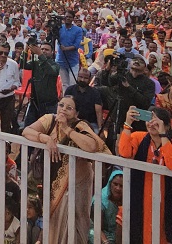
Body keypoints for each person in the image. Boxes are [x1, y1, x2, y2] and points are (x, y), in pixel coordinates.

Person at [22, 95, 105, 243]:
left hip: (78, 184)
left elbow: (92, 146)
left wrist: (67, 129)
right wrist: (46, 138)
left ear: (76, 113)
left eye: (69, 108)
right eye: (61, 105)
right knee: (54, 225)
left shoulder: (81, 125)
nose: (63, 110)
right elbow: (26, 131)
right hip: (54, 183)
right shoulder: (50, 119)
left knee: (76, 224)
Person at [117, 106, 172, 244]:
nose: (151, 124)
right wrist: (127, 123)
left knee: (163, 234)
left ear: (167, 126)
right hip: (141, 198)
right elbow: (124, 152)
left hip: (165, 200)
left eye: (157, 121)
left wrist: (163, 135)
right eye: (149, 119)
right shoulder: (138, 137)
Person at [22, 42, 60, 128]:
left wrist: (40, 54)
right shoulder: (36, 62)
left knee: (48, 128)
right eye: (42, 49)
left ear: (52, 52)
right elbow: (24, 65)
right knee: (28, 127)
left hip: (49, 104)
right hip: (35, 102)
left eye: (47, 50)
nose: (44, 51)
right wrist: (25, 50)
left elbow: (52, 71)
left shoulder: (55, 65)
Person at [64, 68, 103, 132]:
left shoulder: (95, 93)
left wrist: (100, 129)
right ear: (77, 77)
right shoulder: (70, 90)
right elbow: (64, 107)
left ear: (90, 79)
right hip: (72, 122)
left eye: (85, 78)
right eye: (80, 77)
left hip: (91, 124)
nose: (82, 80)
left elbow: (98, 112)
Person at [89, 170, 122, 244]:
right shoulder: (100, 200)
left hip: (116, 234)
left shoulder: (127, 200)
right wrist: (105, 242)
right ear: (110, 183)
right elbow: (97, 227)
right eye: (115, 184)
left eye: (121, 186)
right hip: (100, 232)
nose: (118, 188)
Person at [57, 10, 83, 90]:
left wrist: (66, 49)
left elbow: (76, 45)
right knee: (65, 84)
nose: (68, 18)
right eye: (66, 16)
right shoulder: (59, 28)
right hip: (61, 60)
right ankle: (66, 97)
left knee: (73, 84)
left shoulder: (78, 30)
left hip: (73, 61)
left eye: (70, 17)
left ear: (73, 19)